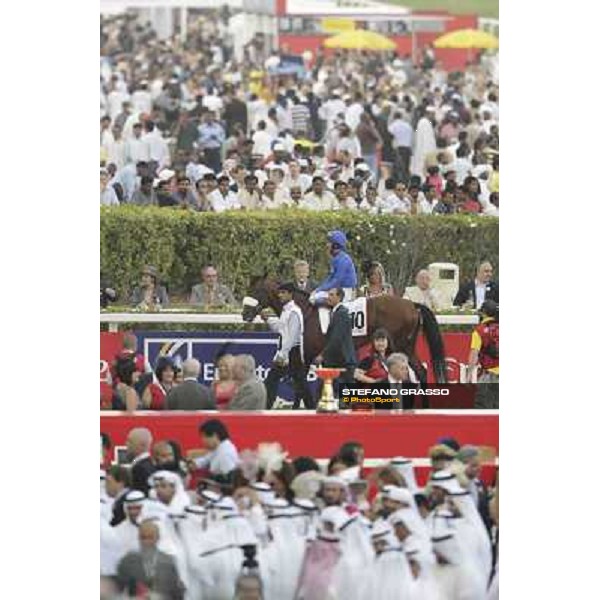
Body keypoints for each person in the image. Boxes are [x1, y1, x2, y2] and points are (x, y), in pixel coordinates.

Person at [262, 282, 314, 410]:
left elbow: (292, 336)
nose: (280, 295)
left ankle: (266, 406)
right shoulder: (287, 311)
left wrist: (282, 354)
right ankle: (311, 408)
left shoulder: (294, 312)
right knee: (300, 383)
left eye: (283, 293)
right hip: (289, 352)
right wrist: (268, 319)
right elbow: (280, 328)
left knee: (272, 381)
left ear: (291, 294)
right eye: (279, 292)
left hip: (292, 353)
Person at [116, 519, 186, 599]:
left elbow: (177, 592)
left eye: (150, 537)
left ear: (158, 538)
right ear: (138, 538)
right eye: (143, 537)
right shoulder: (128, 561)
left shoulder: (168, 561)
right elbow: (117, 589)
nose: (146, 541)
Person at [315, 288, 356, 391]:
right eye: (328, 294)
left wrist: (322, 355)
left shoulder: (341, 313)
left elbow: (336, 339)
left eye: (332, 295)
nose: (328, 297)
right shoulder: (336, 312)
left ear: (339, 297)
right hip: (339, 361)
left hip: (342, 360)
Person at [467, 300, 499, 409]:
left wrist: (468, 376)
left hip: (489, 376)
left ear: (483, 313)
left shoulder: (479, 331)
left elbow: (474, 355)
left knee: (482, 411)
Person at [313, 230, 358, 303]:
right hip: (338, 290)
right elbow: (330, 278)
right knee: (315, 296)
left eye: (329, 242)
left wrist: (319, 290)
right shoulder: (336, 258)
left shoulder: (343, 259)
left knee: (316, 299)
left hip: (346, 292)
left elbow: (337, 281)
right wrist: (319, 288)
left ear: (336, 245)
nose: (327, 245)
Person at [126, 427, 155, 495]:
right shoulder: (150, 464)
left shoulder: (139, 469)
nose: (126, 444)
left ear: (142, 445)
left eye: (130, 441)